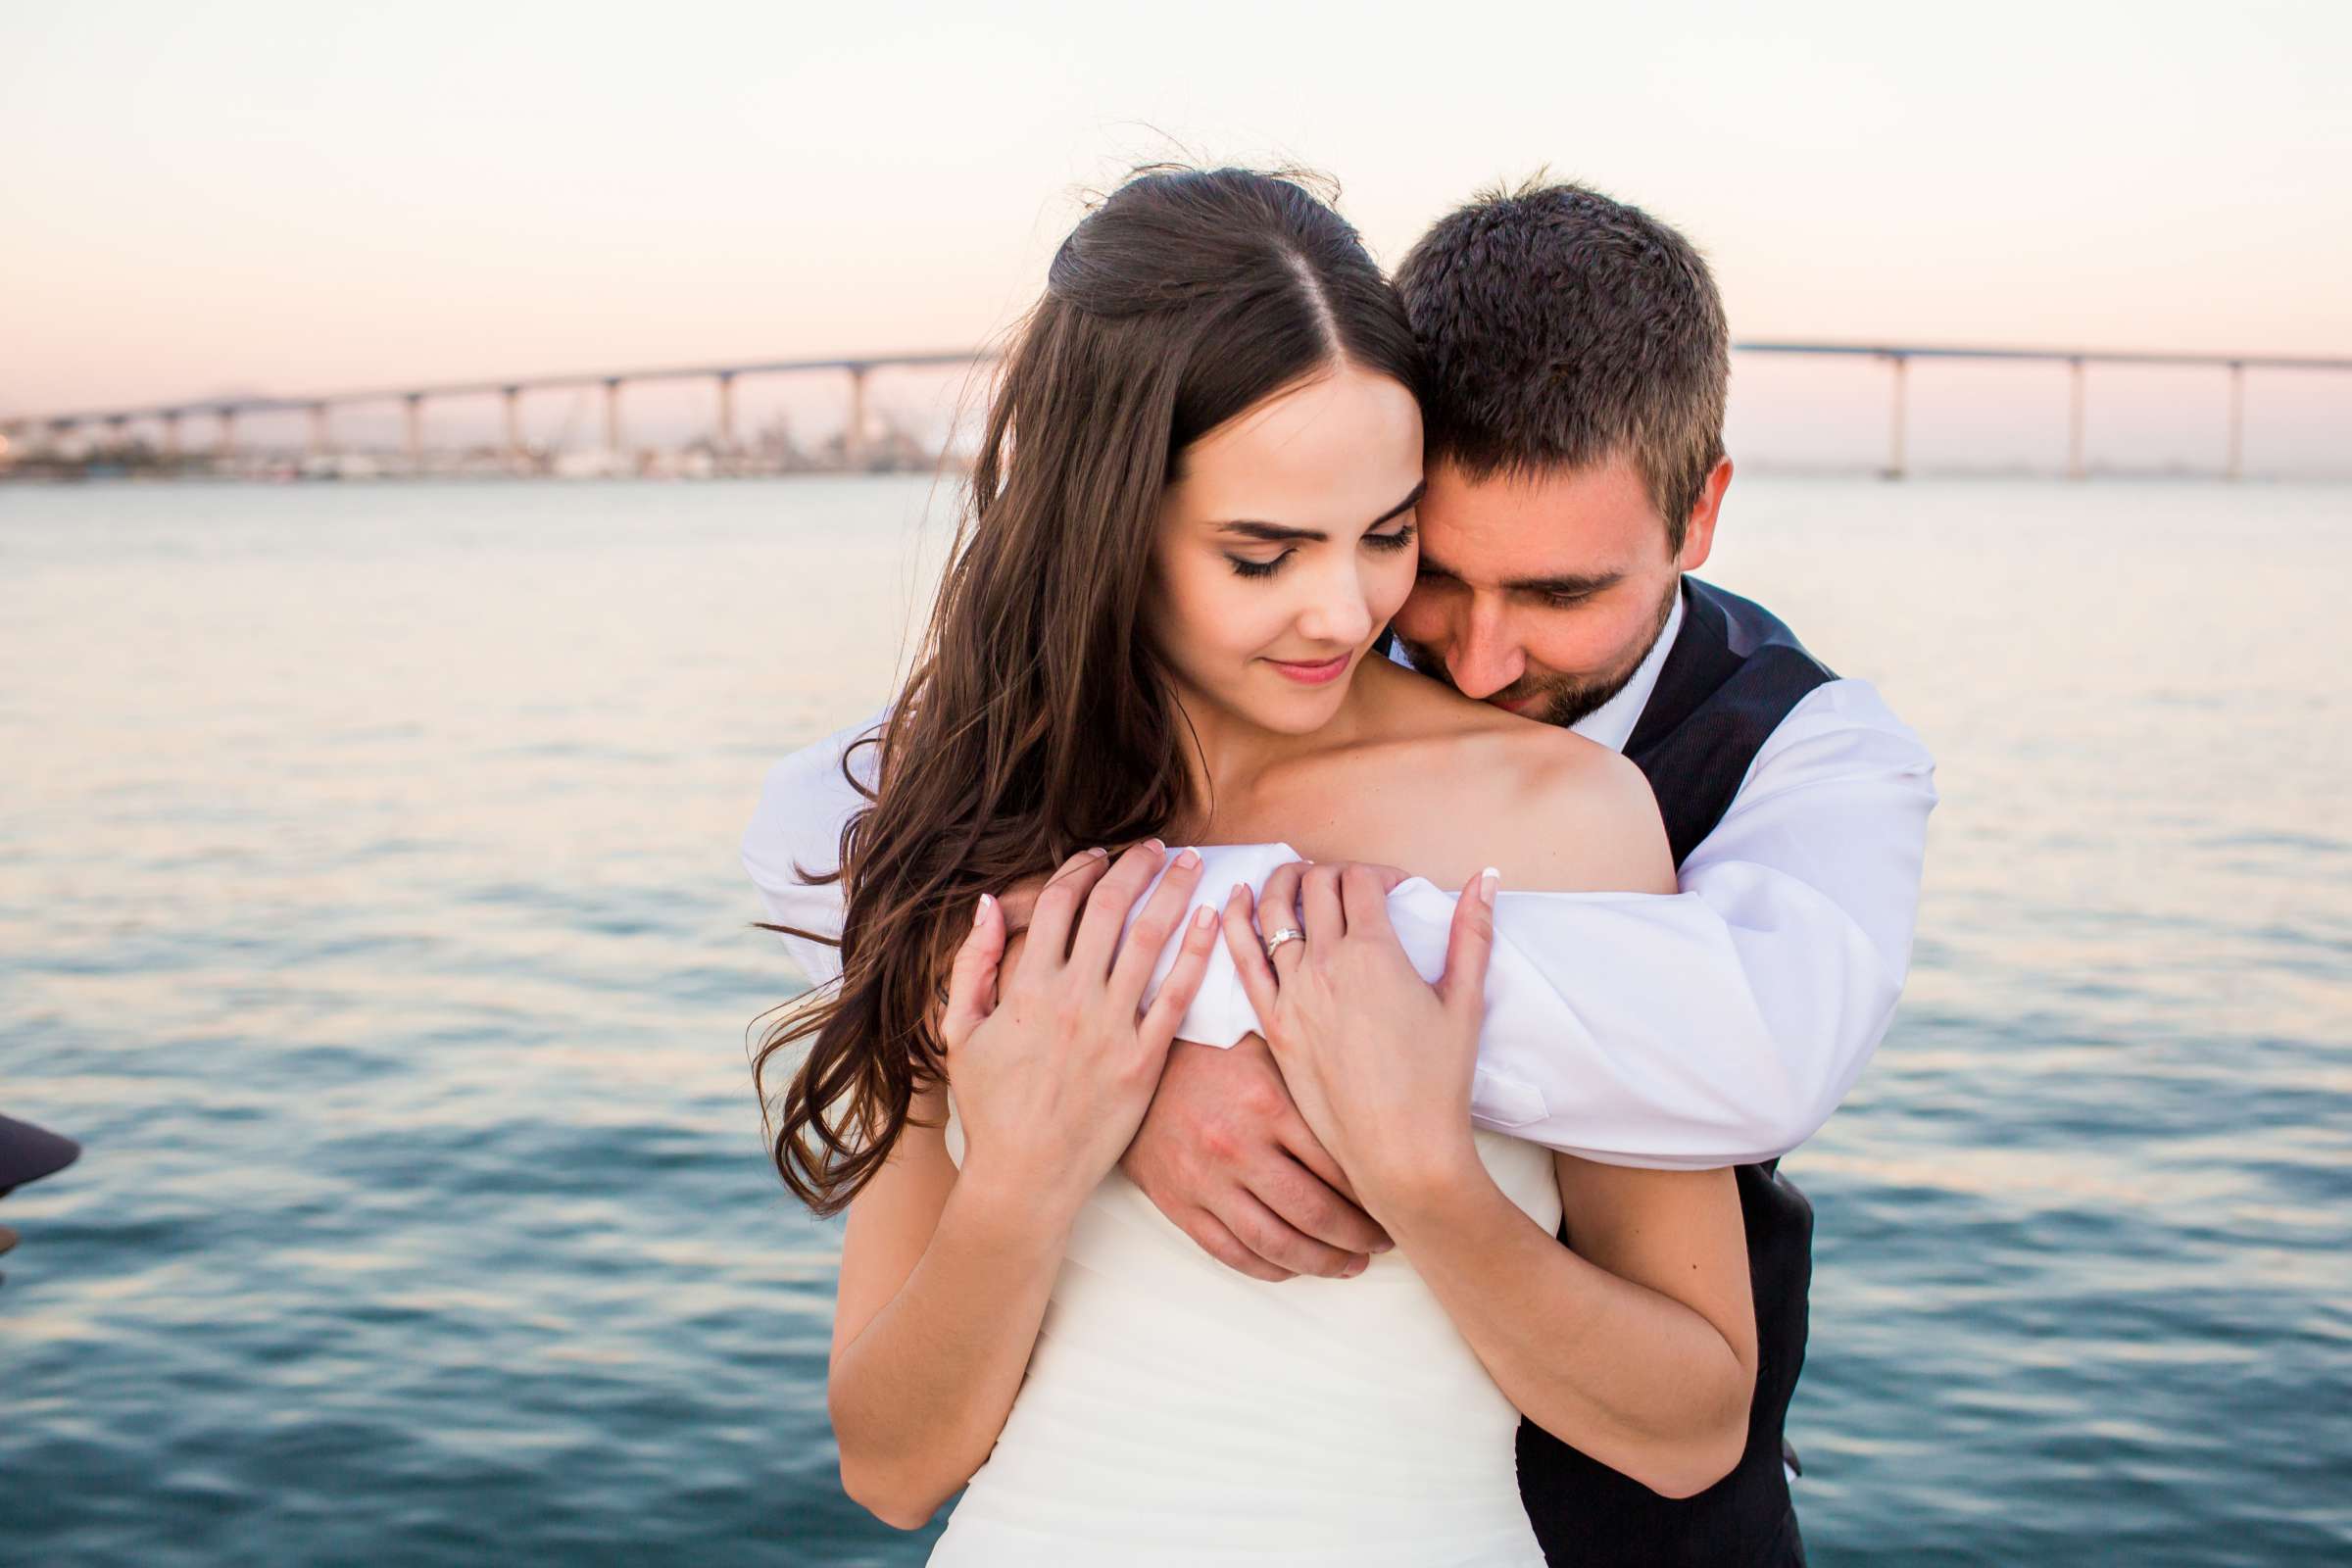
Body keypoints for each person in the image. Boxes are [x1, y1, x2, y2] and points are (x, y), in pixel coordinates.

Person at [748, 175, 1937, 1565]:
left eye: (1385, 537)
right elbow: (892, 1471)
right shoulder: (966, 822)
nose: (1348, 612)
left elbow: (1691, 1421)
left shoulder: (1571, 814)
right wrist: (1038, 1160)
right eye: (1264, 555)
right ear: (1106, 523)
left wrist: (1425, 1172)